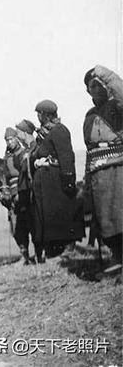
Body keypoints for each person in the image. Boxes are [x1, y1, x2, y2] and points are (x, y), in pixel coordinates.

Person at [31, 100, 84, 261]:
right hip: (45, 181)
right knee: (49, 215)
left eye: (39, 114)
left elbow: (66, 156)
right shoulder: (44, 134)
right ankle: (53, 250)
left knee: (61, 212)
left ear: (45, 114)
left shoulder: (59, 130)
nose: (38, 117)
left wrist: (68, 180)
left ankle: (68, 247)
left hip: (56, 179)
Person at [83, 65, 123, 272]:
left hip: (119, 170)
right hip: (98, 174)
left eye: (100, 85)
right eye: (92, 87)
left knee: (120, 215)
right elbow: (89, 149)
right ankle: (116, 256)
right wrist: (87, 178)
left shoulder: (117, 107)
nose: (97, 89)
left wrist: (105, 75)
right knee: (105, 220)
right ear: (88, 91)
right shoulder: (89, 116)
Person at [3, 127, 35, 264]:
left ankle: (39, 254)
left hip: (23, 192)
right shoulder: (7, 156)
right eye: (7, 140)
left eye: (11, 139)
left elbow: (24, 174)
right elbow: (5, 175)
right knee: (16, 228)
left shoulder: (23, 153)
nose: (9, 142)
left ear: (16, 138)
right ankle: (24, 255)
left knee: (29, 223)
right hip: (11, 195)